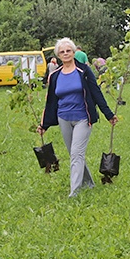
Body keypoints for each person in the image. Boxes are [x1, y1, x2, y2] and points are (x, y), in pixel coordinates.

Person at [38, 38, 118, 197]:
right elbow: (51, 102)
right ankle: (88, 183)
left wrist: (108, 114)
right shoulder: (54, 75)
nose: (66, 53)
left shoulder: (84, 71)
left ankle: (74, 192)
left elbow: (96, 93)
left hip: (83, 117)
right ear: (58, 55)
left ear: (74, 52)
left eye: (68, 50)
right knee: (75, 154)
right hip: (63, 118)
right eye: (62, 51)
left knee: (76, 153)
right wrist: (44, 125)